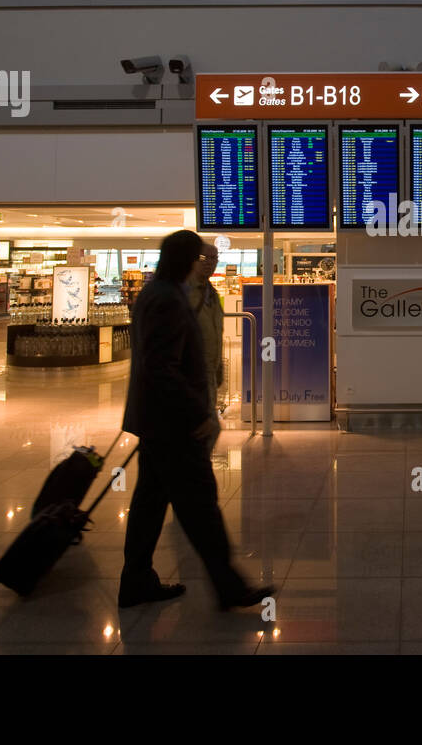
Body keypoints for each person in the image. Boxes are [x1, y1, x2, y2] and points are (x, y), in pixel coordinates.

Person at [118, 230, 274, 611]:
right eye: (201, 257)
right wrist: (198, 414)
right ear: (188, 259)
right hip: (172, 424)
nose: (209, 263)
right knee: (200, 504)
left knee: (150, 502)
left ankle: (135, 581)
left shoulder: (156, 294)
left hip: (156, 420)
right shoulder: (168, 299)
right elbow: (162, 368)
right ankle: (229, 587)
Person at [186, 241, 225, 456]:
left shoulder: (210, 292)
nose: (211, 263)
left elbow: (215, 334)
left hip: (207, 376)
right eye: (205, 258)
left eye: (215, 258)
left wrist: (218, 370)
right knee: (201, 435)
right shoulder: (182, 293)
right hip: (190, 381)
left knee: (210, 432)